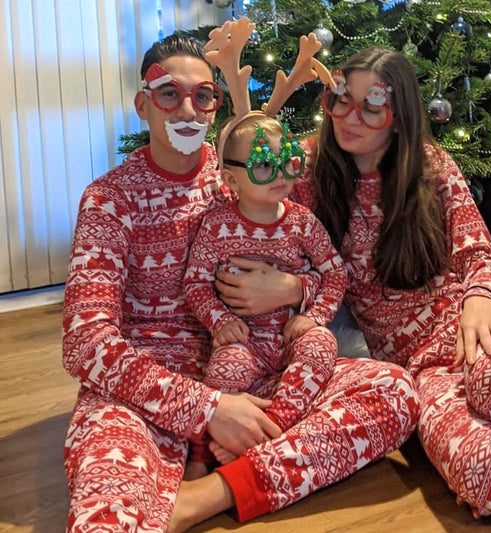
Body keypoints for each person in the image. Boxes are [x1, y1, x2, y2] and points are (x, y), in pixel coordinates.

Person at [62, 29, 419, 533]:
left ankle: (209, 494)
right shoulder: (109, 201)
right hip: (144, 394)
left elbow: (327, 264)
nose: (187, 109)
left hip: (259, 369)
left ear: (214, 107)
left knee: (394, 392)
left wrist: (295, 291)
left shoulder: (254, 169)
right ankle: (230, 466)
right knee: (107, 520)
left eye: (202, 95)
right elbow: (84, 342)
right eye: (169, 94)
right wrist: (205, 409)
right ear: (144, 106)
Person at [289, 45, 491, 518]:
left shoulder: (432, 166)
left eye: (372, 107)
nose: (349, 116)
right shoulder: (308, 172)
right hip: (423, 368)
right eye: (340, 99)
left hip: (489, 319)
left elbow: (480, 253)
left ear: (399, 119)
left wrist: (480, 299)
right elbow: (240, 176)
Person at [182, 113, 347, 475]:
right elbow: (194, 283)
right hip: (243, 341)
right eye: (262, 165)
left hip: (291, 335)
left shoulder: (302, 221)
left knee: (322, 344)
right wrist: (220, 319)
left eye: (287, 160)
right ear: (230, 179)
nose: (282, 175)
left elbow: (335, 272)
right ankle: (200, 454)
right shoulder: (217, 226)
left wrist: (313, 316)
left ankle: (274, 425)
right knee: (227, 367)